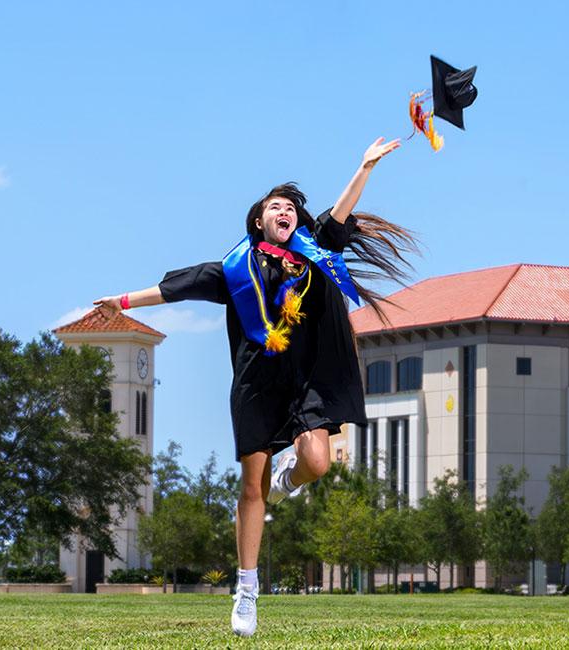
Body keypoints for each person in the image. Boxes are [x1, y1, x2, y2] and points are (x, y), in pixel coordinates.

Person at [91, 137, 414, 637]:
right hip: (257, 386)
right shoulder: (234, 270)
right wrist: (123, 301)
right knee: (250, 488)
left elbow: (340, 214)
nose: (283, 211)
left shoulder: (315, 253)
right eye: (273, 208)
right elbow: (178, 287)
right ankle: (246, 591)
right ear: (258, 222)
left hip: (304, 383)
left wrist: (365, 166)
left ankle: (288, 481)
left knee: (317, 462)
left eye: (290, 207)